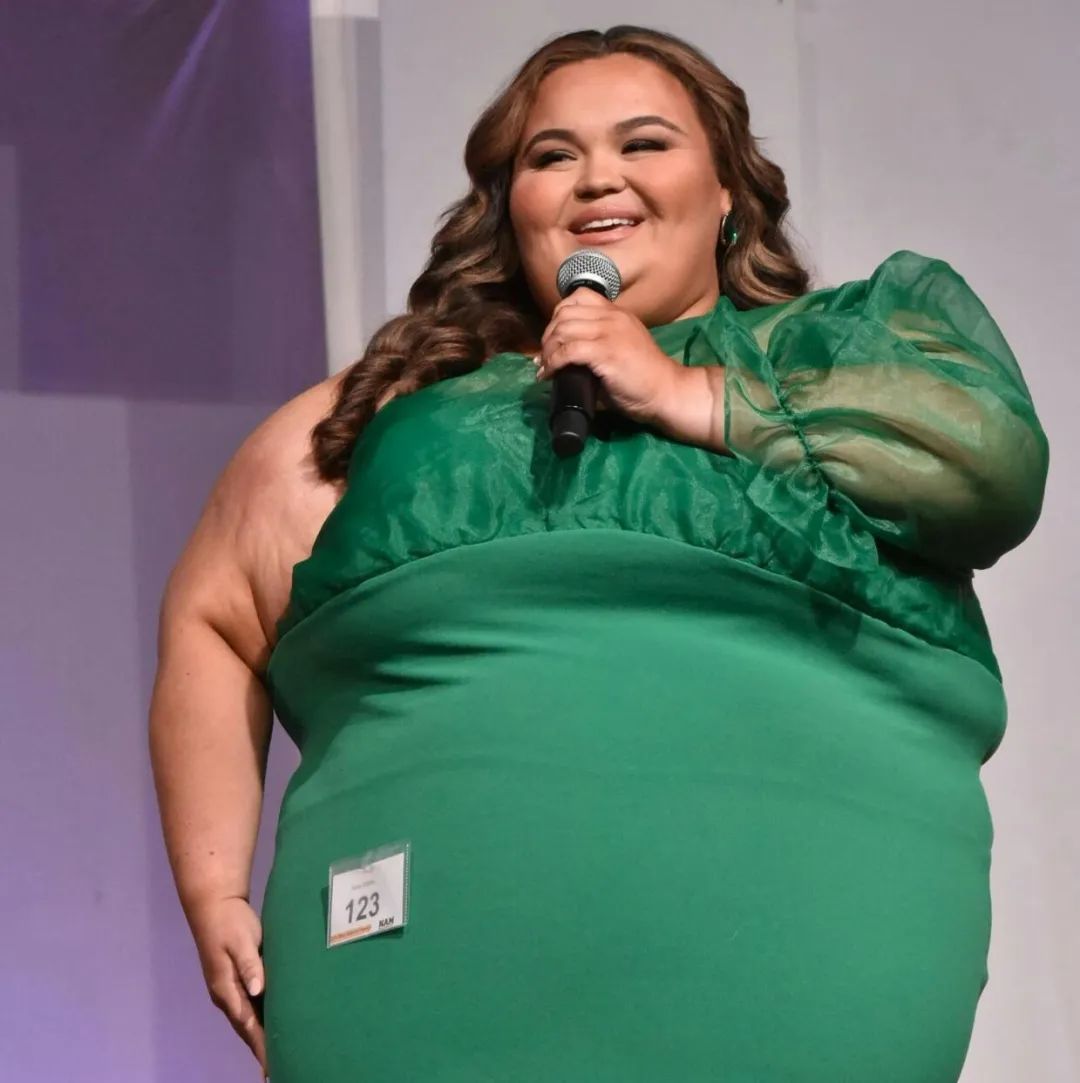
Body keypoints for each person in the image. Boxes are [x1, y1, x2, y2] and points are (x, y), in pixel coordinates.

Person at [149, 24, 1049, 1083]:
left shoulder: (840, 353)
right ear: (510, 207)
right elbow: (216, 613)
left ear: (728, 194)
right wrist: (214, 887)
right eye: (552, 155)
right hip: (418, 977)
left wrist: (688, 393)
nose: (597, 178)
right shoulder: (394, 411)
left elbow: (989, 459)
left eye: (645, 143)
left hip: (806, 965)